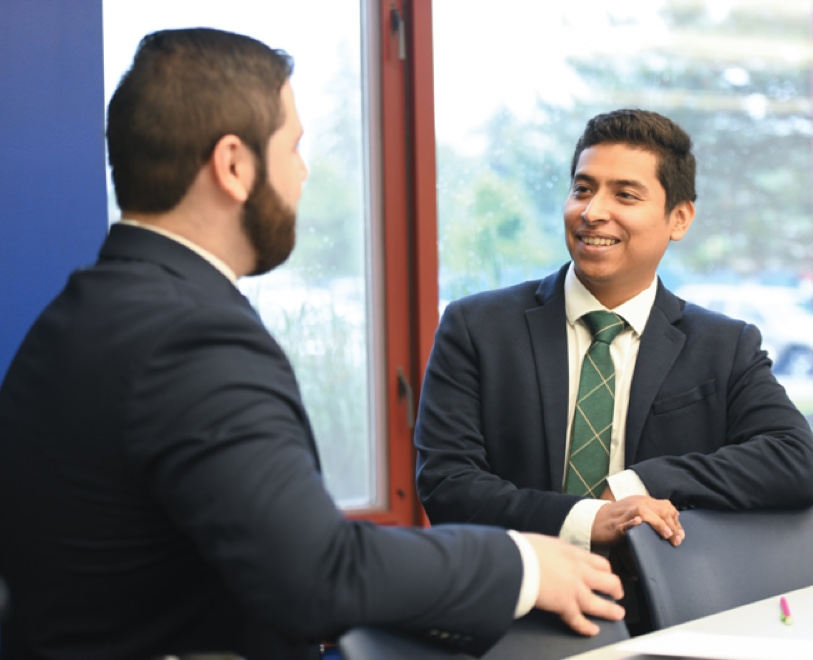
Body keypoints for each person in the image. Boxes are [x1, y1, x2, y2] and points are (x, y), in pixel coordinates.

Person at [0, 28, 626, 660]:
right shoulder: (191, 339)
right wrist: (523, 564)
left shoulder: (77, 316)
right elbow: (317, 575)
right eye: (294, 147)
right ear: (235, 165)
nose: (303, 173)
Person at [415, 109, 813, 561]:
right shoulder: (477, 327)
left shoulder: (725, 346)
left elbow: (794, 462)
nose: (592, 212)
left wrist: (639, 484)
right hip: (517, 601)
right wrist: (590, 521)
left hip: (665, 607)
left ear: (680, 219)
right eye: (582, 190)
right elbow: (448, 485)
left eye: (625, 195)